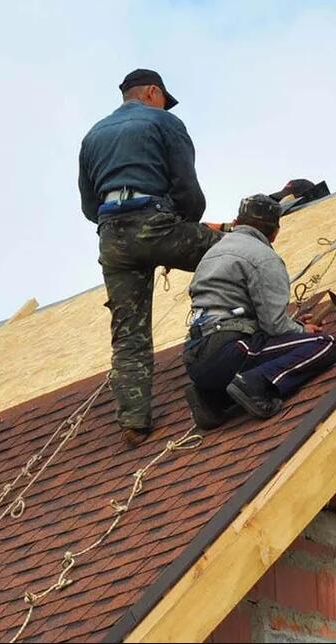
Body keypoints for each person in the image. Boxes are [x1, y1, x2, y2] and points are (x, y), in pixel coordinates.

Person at [79, 69, 223, 446]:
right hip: (154, 222)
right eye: (162, 100)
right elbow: (187, 189)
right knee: (233, 251)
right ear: (152, 93)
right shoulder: (164, 122)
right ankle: (251, 338)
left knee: (129, 333)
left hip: (112, 239)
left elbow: (89, 205)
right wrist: (182, 229)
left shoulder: (93, 136)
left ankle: (133, 421)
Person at [182, 195, 336, 429]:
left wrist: (296, 326)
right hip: (231, 350)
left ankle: (212, 399)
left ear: (237, 222)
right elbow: (275, 326)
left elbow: (239, 313)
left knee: (261, 351)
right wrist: (301, 331)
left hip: (197, 359)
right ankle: (255, 384)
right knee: (325, 344)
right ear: (274, 232)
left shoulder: (213, 254)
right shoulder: (263, 257)